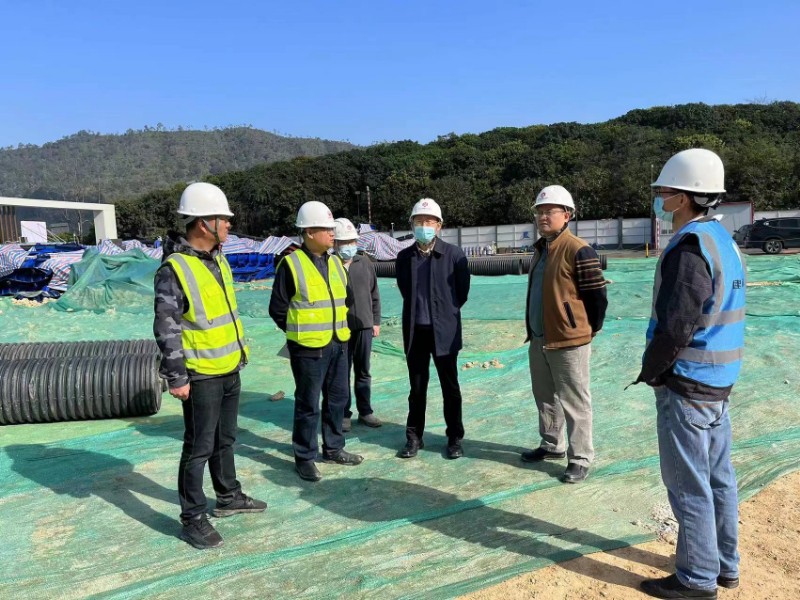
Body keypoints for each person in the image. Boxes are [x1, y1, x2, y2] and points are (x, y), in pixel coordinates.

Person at [637, 149, 745, 599]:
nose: (660, 195)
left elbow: (676, 325)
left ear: (684, 197)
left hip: (689, 384)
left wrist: (655, 372)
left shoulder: (688, 248)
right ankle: (725, 566)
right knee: (719, 477)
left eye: (665, 188)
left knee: (688, 486)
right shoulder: (725, 241)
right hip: (719, 383)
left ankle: (697, 580)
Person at [153, 182, 266, 550]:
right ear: (204, 223)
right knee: (198, 446)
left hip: (229, 367)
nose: (229, 225)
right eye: (224, 219)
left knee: (225, 439)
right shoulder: (174, 269)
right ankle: (192, 518)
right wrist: (176, 376)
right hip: (200, 374)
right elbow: (166, 325)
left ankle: (229, 496)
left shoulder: (217, 259)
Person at [269, 201, 363, 482]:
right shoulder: (291, 264)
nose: (333, 234)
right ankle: (305, 457)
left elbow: (347, 299)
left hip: (338, 343)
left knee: (338, 399)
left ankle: (334, 448)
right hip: (308, 348)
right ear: (309, 232)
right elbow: (278, 308)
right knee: (308, 403)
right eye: (327, 229)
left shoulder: (335, 262)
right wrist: (301, 334)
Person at [520, 185, 607, 484]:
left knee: (575, 400)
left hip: (569, 340)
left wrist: (588, 329)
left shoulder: (578, 249)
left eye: (550, 212)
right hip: (540, 338)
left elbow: (597, 296)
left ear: (566, 215)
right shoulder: (540, 249)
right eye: (539, 212)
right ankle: (552, 444)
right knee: (545, 397)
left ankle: (580, 457)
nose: (543, 217)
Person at [395, 198, 470, 459]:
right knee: (417, 389)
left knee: (451, 388)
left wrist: (443, 315)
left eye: (429, 222)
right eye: (419, 222)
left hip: (445, 334)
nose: (424, 226)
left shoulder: (454, 255)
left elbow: (461, 294)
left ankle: (454, 439)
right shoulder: (404, 258)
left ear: (439, 226)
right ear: (412, 225)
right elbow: (406, 291)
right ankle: (414, 438)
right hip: (416, 333)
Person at [332, 217, 383, 432]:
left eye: (352, 241)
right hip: (340, 328)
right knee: (342, 372)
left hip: (364, 325)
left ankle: (366, 411)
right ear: (335, 244)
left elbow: (374, 294)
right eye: (344, 243)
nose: (349, 246)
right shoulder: (329, 265)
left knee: (363, 370)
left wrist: (376, 321)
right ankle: (344, 414)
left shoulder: (365, 263)